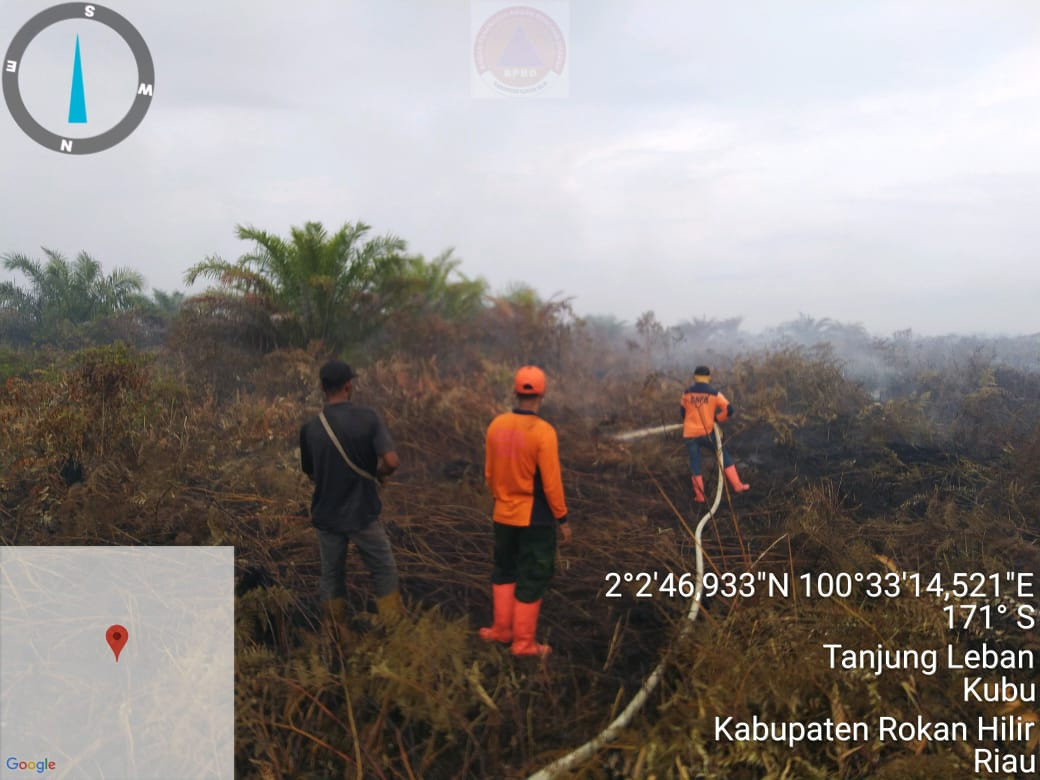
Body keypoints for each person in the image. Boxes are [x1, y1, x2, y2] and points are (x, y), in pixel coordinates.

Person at [300, 360, 402, 638]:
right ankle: (394, 632)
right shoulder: (368, 418)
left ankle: (335, 632)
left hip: (327, 515)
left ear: (322, 387)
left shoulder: (310, 429)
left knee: (332, 576)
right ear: (349, 385)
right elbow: (392, 461)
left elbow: (311, 474)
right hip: (363, 514)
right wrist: (378, 473)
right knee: (384, 568)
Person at [480, 365, 571, 657]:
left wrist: (501, 499)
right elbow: (552, 483)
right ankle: (523, 644)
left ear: (515, 391)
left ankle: (501, 630)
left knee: (504, 568)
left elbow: (490, 473)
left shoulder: (496, 425)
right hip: (535, 518)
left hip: (502, 514)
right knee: (533, 574)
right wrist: (563, 518)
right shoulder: (543, 432)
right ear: (542, 393)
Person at [680, 365, 750, 502]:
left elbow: (683, 413)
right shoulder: (714, 393)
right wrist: (717, 419)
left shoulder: (687, 393)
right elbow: (729, 410)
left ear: (695, 377)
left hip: (690, 434)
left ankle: (700, 496)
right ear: (708, 378)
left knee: (695, 463)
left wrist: (691, 421)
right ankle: (737, 486)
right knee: (723, 456)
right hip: (707, 433)